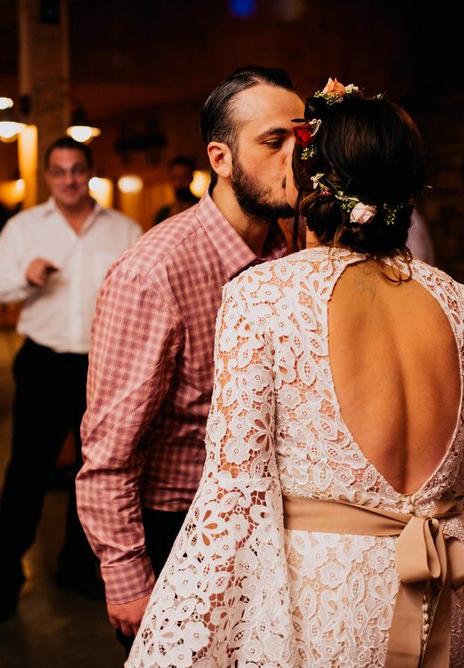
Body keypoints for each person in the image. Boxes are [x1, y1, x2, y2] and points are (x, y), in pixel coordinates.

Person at [128, 80, 464, 667]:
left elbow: (235, 488)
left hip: (323, 592)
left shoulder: (262, 295)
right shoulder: (458, 302)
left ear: (311, 184)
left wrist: (183, 636)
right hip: (438, 580)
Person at [76, 65, 301, 651]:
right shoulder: (155, 271)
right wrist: (126, 577)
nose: (294, 159)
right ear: (221, 159)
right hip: (177, 524)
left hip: (269, 522)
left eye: (303, 141)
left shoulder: (296, 251)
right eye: (273, 142)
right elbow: (107, 450)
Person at [0, 136, 141, 624]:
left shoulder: (125, 229)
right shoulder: (25, 228)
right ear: (48, 177)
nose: (69, 179)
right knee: (26, 472)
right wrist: (23, 278)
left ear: (90, 172)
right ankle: (3, 579)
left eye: (77, 169)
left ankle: (77, 567)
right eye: (59, 171)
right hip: (43, 364)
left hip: (104, 368)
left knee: (95, 474)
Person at [152, 155, 200, 226]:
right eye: (175, 178)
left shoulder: (203, 207)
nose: (180, 182)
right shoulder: (162, 214)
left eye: (184, 177)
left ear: (191, 178)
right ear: (170, 180)